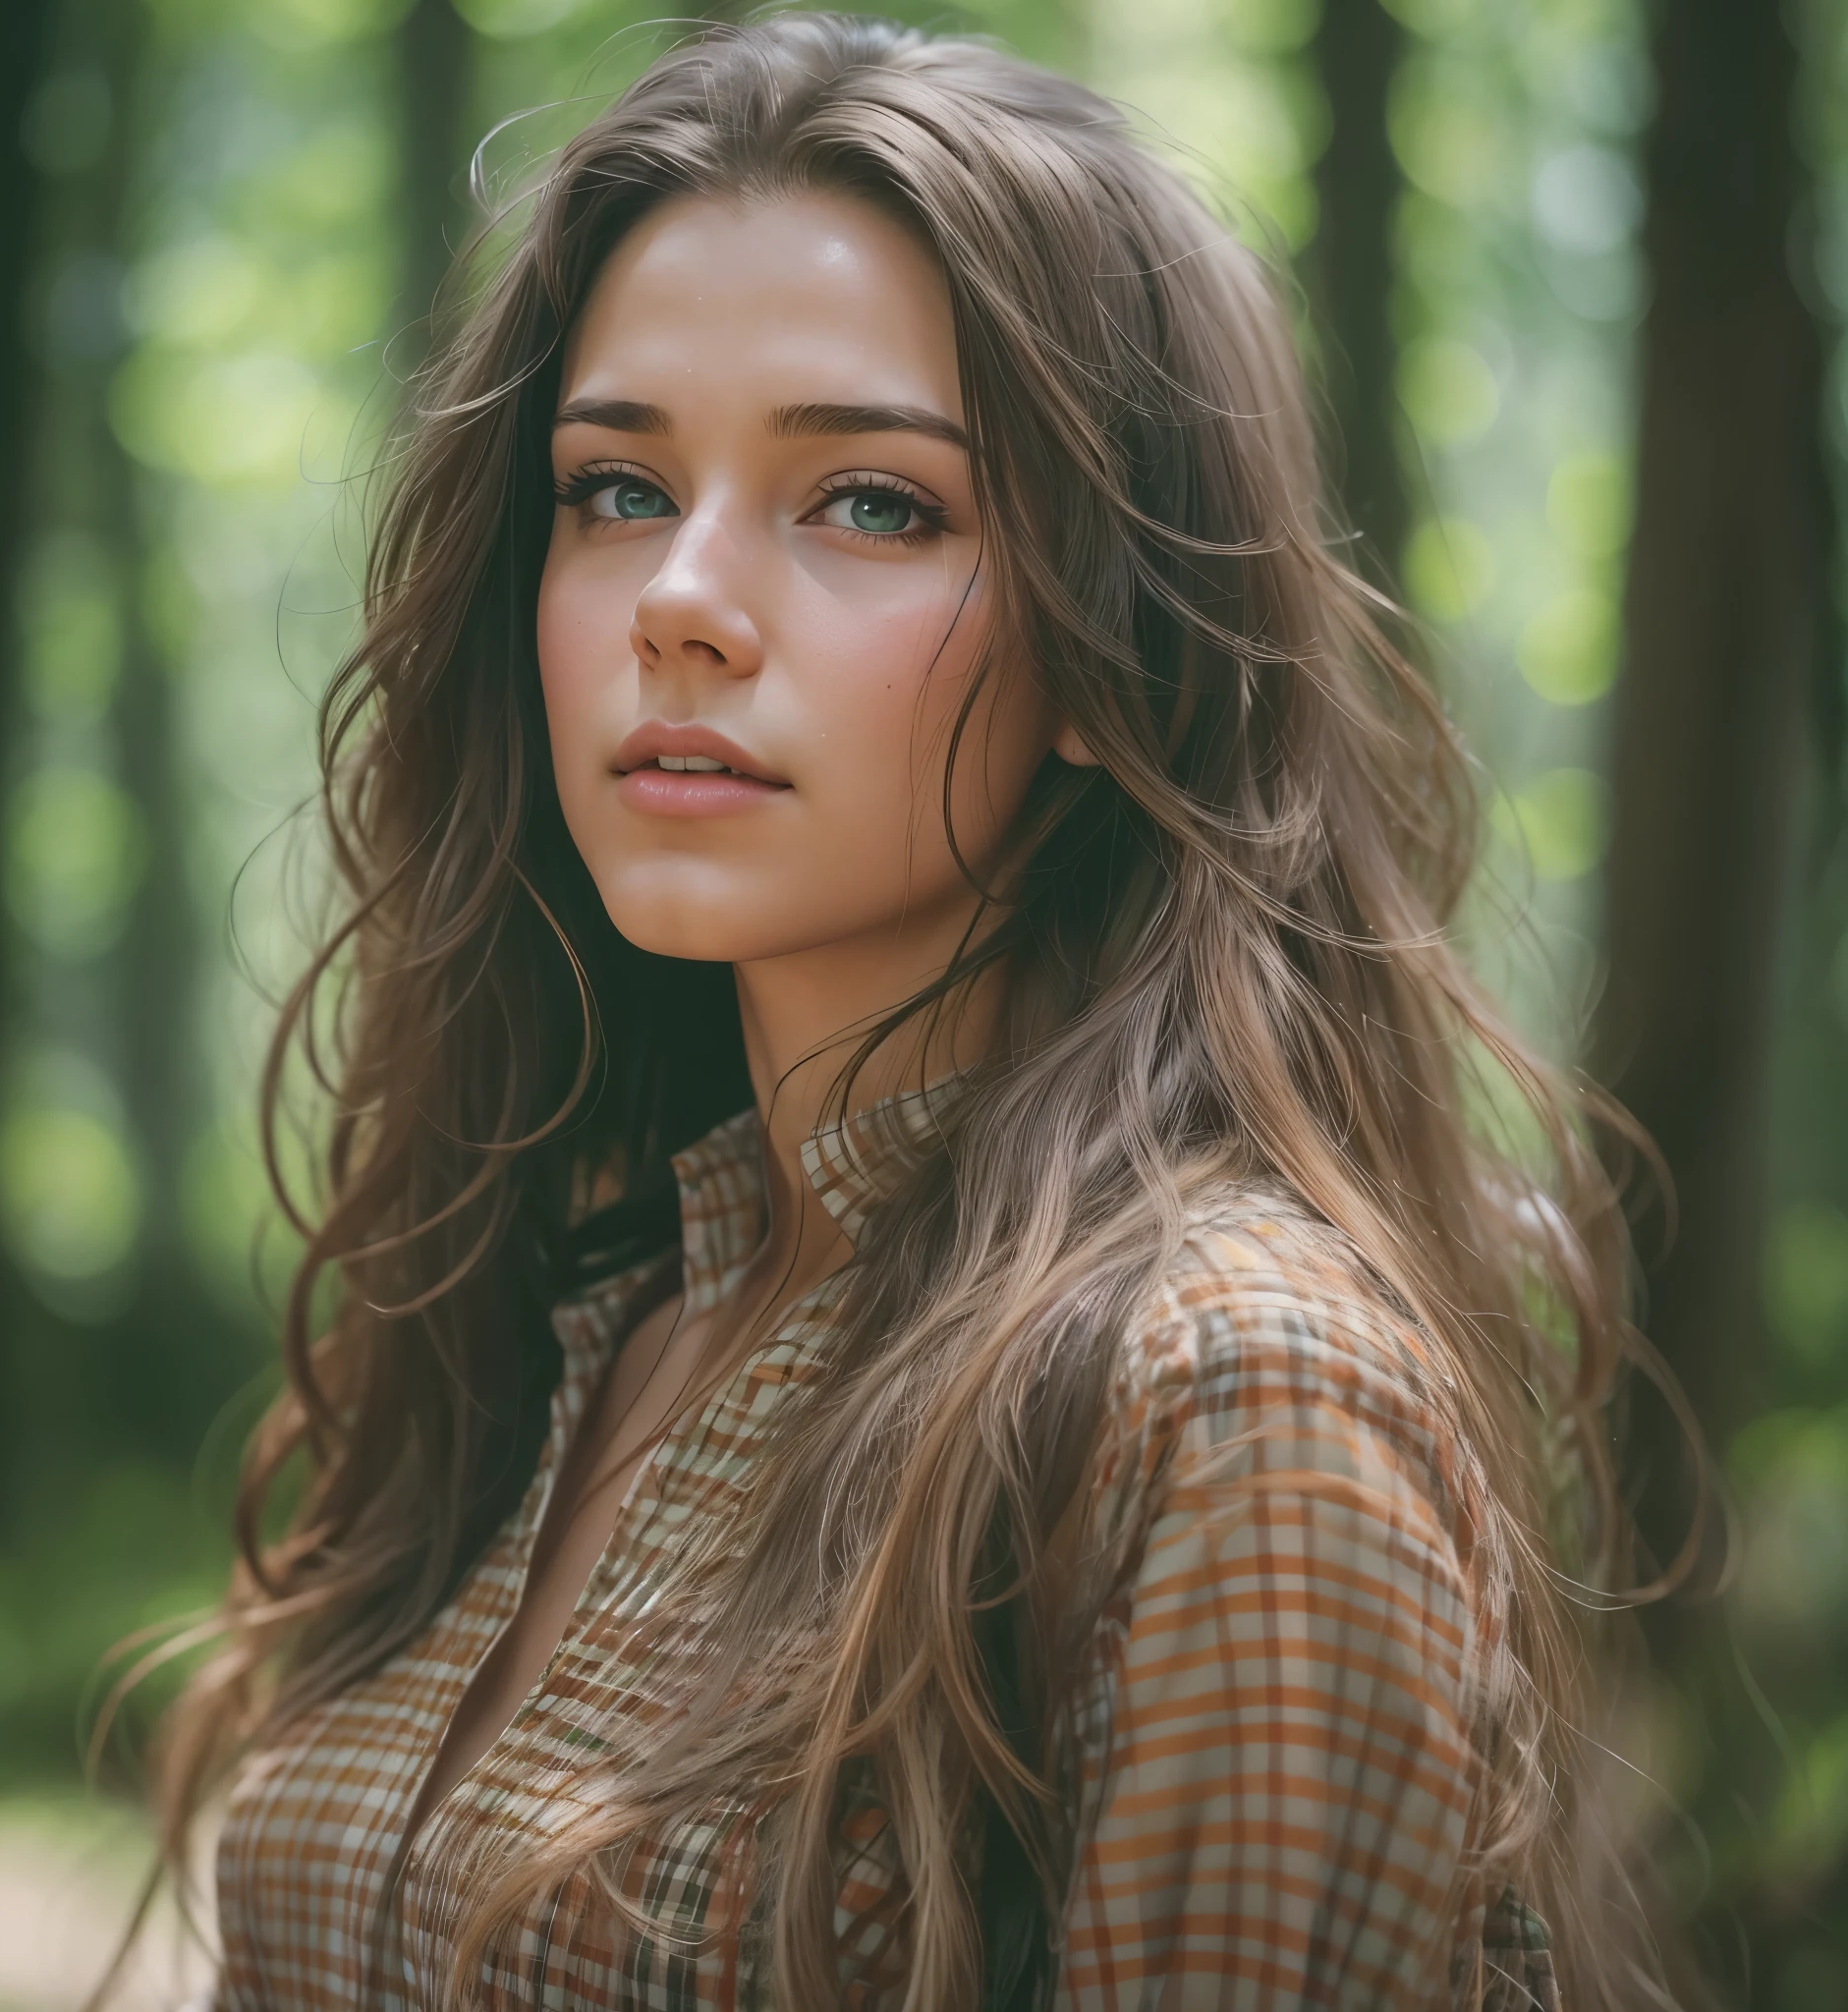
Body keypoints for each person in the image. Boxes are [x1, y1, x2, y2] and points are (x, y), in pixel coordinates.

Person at [148, 15, 1676, 2008]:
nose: (677, 596)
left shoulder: (1230, 1398)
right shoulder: (582, 1318)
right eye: (612, 488)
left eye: (870, 502)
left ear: (1112, 641)